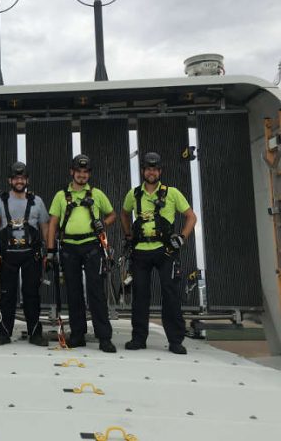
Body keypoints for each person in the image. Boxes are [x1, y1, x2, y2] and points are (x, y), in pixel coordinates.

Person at [120, 151, 197, 355]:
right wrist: (128, 235)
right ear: (143, 171)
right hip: (140, 251)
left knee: (170, 294)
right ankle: (138, 338)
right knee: (140, 295)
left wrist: (182, 237)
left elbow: (191, 217)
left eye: (155, 169)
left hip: (166, 251)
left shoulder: (172, 193)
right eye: (148, 168)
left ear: (160, 171)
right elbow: (124, 213)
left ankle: (175, 340)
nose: (151, 172)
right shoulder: (134, 194)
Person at [46, 154, 117, 353]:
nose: (82, 175)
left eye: (86, 172)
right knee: (74, 293)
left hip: (92, 246)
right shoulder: (61, 196)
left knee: (96, 292)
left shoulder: (97, 194)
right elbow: (52, 223)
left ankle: (104, 337)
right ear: (72, 172)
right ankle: (78, 335)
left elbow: (113, 215)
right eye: (79, 171)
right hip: (68, 248)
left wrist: (103, 223)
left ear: (89, 174)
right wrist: (50, 251)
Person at [0, 161, 50, 346]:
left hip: (32, 256)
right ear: (10, 180)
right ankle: (3, 333)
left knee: (32, 294)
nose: (19, 181)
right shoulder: (0, 200)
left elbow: (45, 227)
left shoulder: (37, 201)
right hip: (7, 256)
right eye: (16, 178)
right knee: (6, 294)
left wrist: (49, 252)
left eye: (22, 178)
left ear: (27, 180)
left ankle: (35, 334)